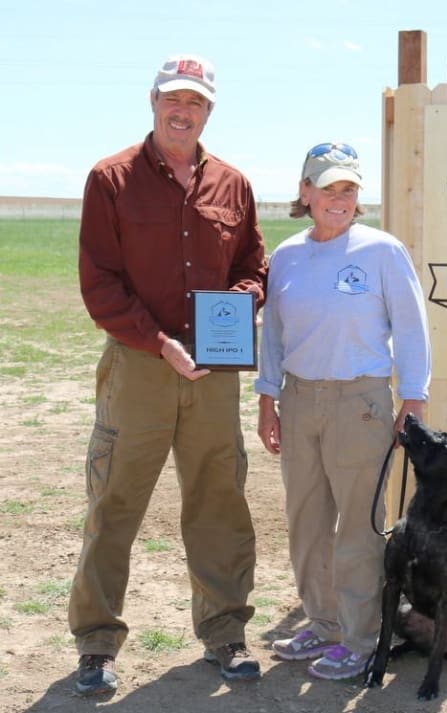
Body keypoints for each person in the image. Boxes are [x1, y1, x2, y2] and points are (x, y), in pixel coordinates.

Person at [69, 54, 268, 696]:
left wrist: (234, 316)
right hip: (139, 367)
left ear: (209, 110)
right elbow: (99, 282)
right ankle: (96, 646)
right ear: (153, 102)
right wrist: (159, 343)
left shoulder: (232, 185)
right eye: (173, 100)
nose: (183, 112)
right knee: (115, 503)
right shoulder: (112, 178)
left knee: (219, 501)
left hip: (213, 373)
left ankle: (225, 634)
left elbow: (253, 268)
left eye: (197, 102)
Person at [255, 143, 431, 680]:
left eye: (349, 189)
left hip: (362, 403)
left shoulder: (382, 251)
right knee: (306, 522)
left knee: (358, 526)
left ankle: (359, 638)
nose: (339, 199)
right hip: (300, 400)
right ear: (304, 192)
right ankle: (322, 622)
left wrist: (413, 398)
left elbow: (411, 326)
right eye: (327, 188)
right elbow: (275, 336)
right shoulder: (286, 256)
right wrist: (268, 398)